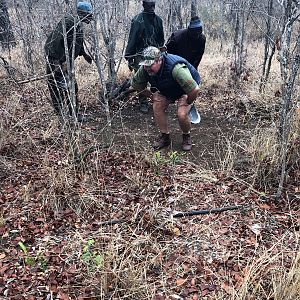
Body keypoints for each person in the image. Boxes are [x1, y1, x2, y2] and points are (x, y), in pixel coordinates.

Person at [131, 46, 201, 151]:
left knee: (182, 114)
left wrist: (188, 101)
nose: (147, 68)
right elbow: (136, 85)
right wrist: (151, 95)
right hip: (167, 89)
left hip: (185, 90)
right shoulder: (145, 69)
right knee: (157, 105)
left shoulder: (177, 69)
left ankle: (186, 136)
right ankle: (165, 137)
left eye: (150, 65)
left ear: (159, 60)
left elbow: (194, 89)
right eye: (145, 65)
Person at [44, 1, 93, 122]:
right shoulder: (69, 20)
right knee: (57, 88)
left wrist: (84, 54)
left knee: (72, 87)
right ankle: (61, 118)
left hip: (65, 62)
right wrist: (57, 62)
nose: (91, 19)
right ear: (83, 13)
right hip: (56, 61)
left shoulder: (77, 23)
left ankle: (73, 115)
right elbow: (54, 41)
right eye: (89, 15)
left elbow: (75, 41)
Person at [125, 0, 164, 113]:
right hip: (140, 55)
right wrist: (130, 57)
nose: (152, 8)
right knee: (141, 79)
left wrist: (160, 51)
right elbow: (132, 39)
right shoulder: (137, 20)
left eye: (153, 6)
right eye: (149, 6)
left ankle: (158, 100)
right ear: (143, 5)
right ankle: (144, 103)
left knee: (157, 77)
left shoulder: (158, 20)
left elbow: (161, 39)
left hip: (154, 54)